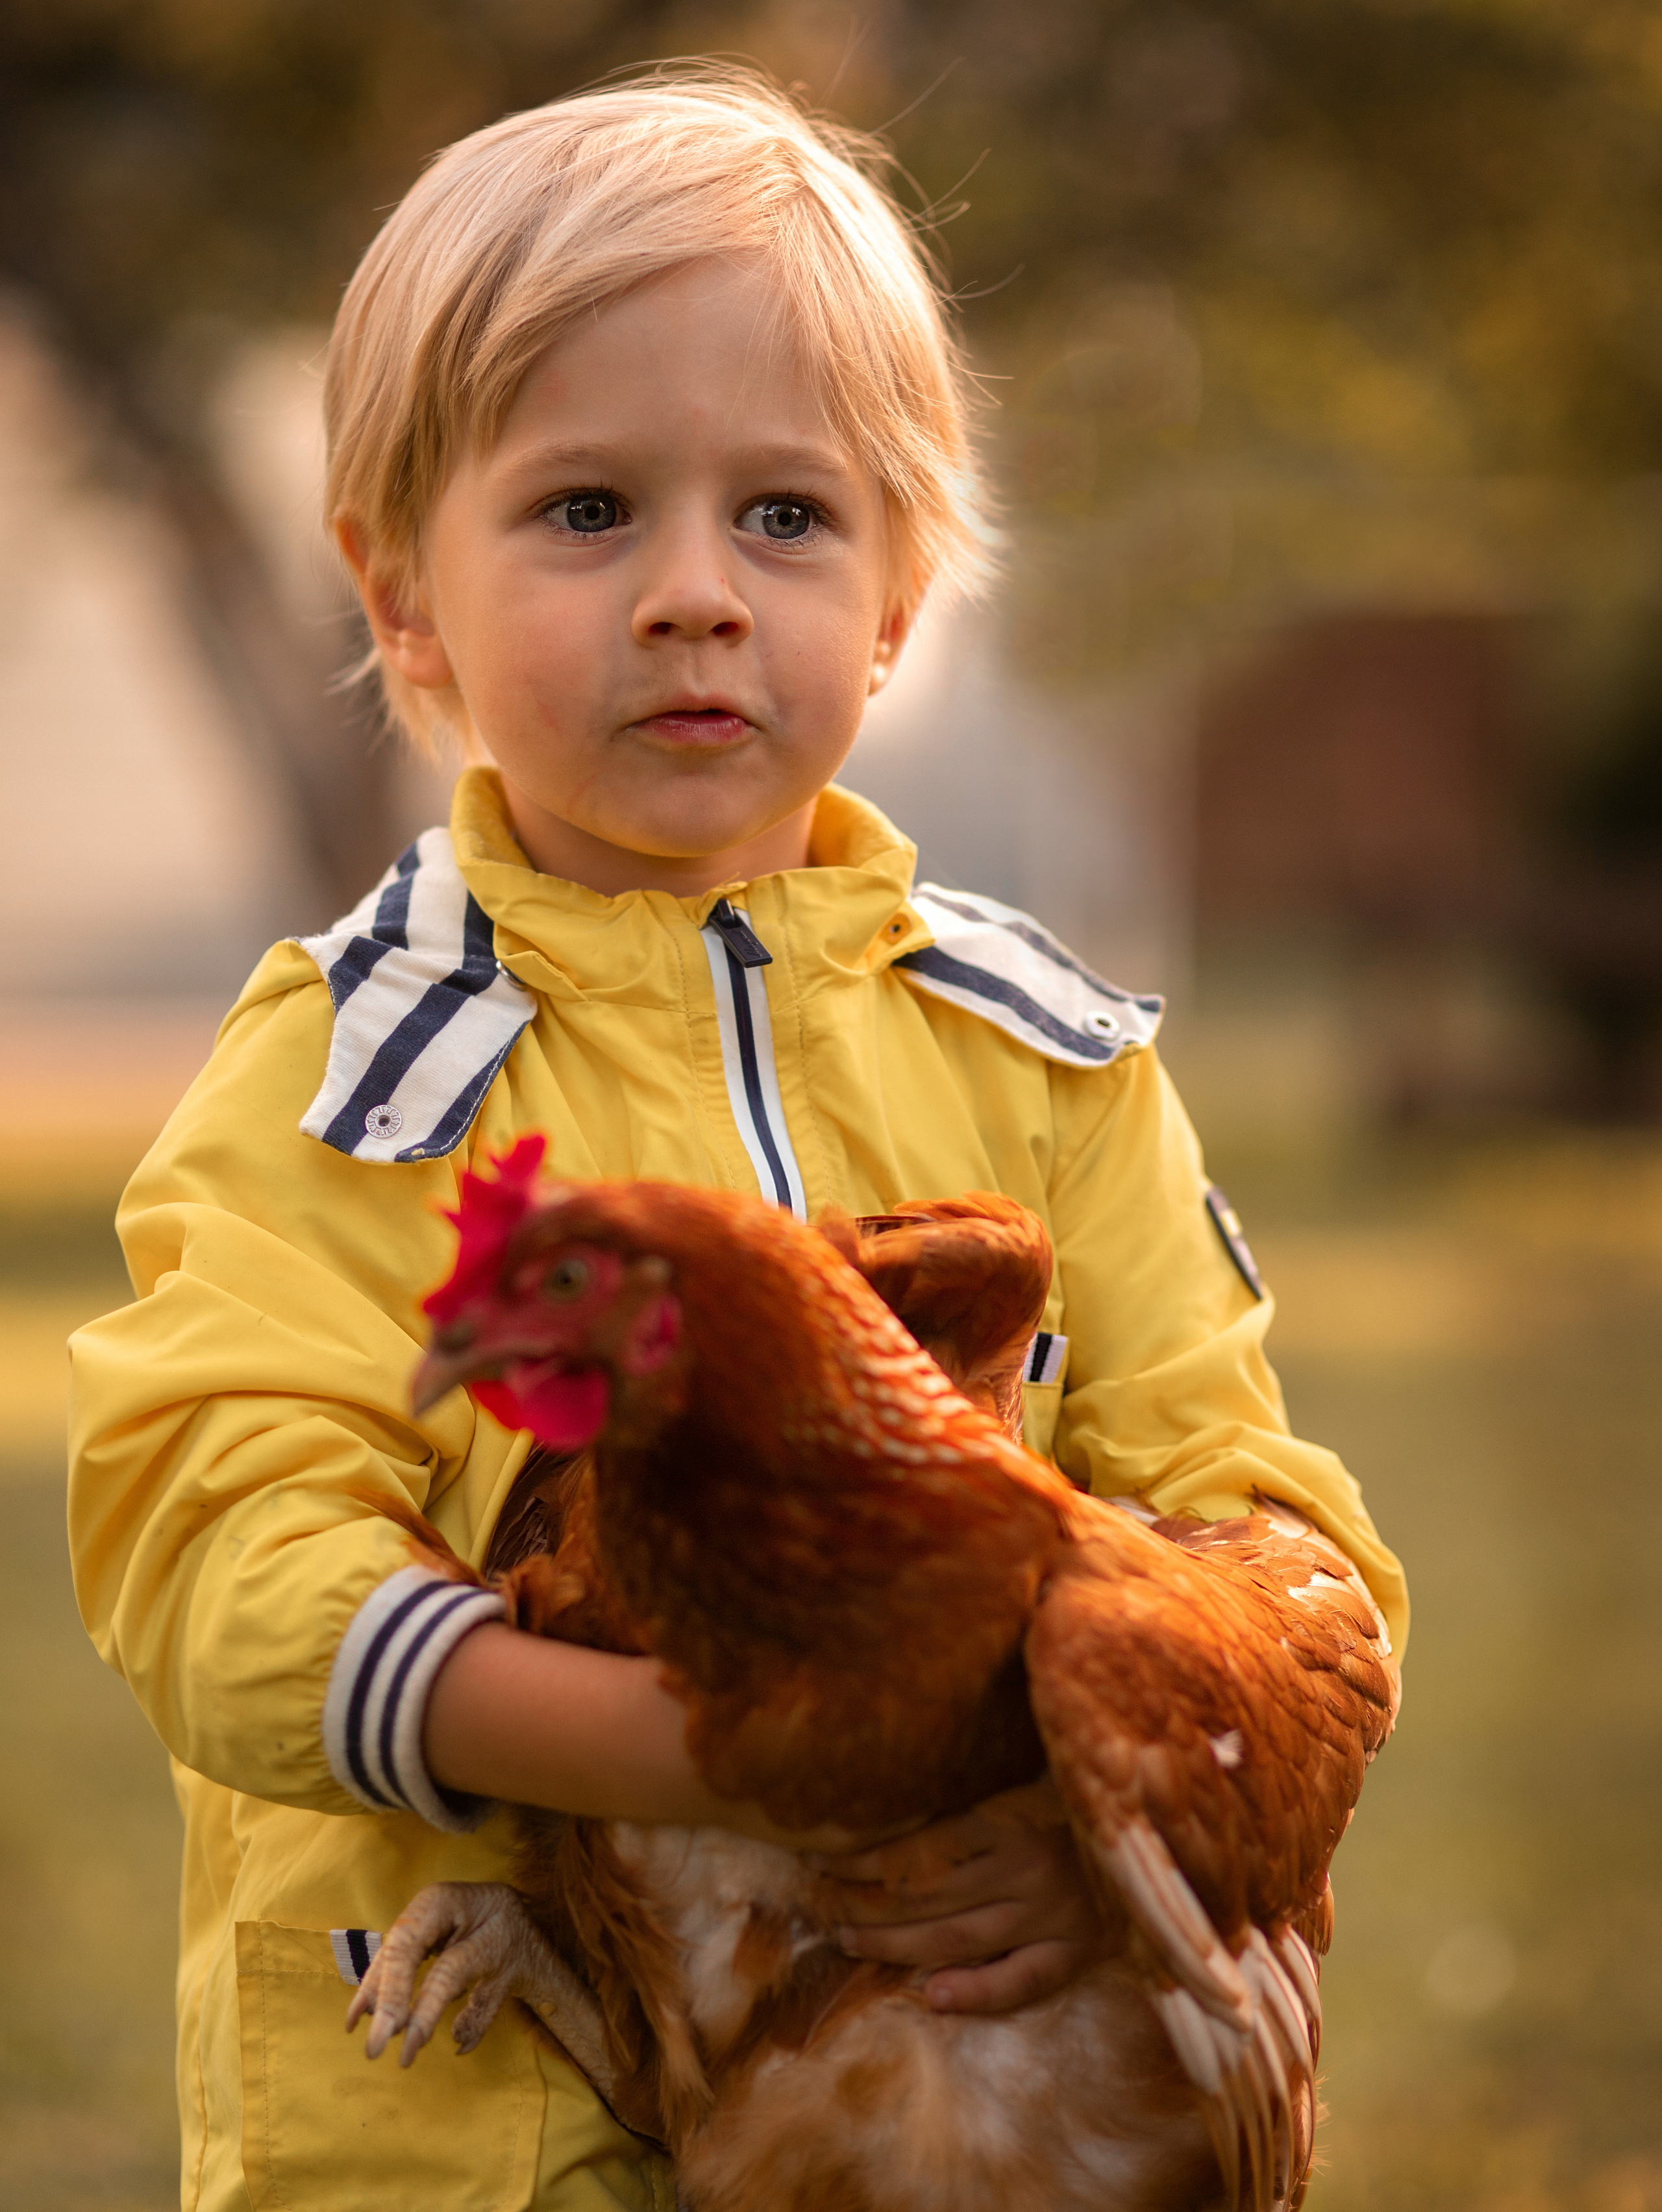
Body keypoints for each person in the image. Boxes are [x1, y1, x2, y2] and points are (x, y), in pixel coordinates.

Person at [68, 64, 1407, 2212]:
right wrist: (726, 1768)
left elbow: (1267, 1524)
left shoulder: (1046, 1061)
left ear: (898, 597)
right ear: (399, 590)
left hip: (945, 2104)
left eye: (783, 516)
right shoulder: (350, 1071)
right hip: (468, 2123)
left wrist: (1110, 1811)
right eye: (587, 511)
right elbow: (215, 1563)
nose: (695, 593)